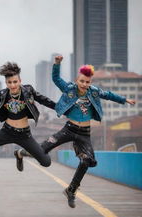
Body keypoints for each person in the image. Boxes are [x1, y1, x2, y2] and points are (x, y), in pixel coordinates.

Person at [16, 55, 136, 208]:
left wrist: (124, 100)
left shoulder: (93, 92)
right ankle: (20, 153)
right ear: (77, 80)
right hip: (69, 129)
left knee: (87, 160)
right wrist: (57, 63)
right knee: (41, 150)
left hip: (84, 133)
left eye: (87, 82)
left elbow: (108, 95)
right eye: (82, 81)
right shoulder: (69, 89)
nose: (84, 84)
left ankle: (71, 190)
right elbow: (56, 79)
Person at [0, 62, 56, 168]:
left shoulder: (28, 90)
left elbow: (42, 99)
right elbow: (1, 107)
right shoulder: (3, 93)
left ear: (20, 81)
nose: (12, 85)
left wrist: (58, 107)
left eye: (15, 82)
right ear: (6, 83)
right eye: (9, 82)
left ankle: (20, 153)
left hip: (24, 135)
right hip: (6, 131)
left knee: (46, 162)